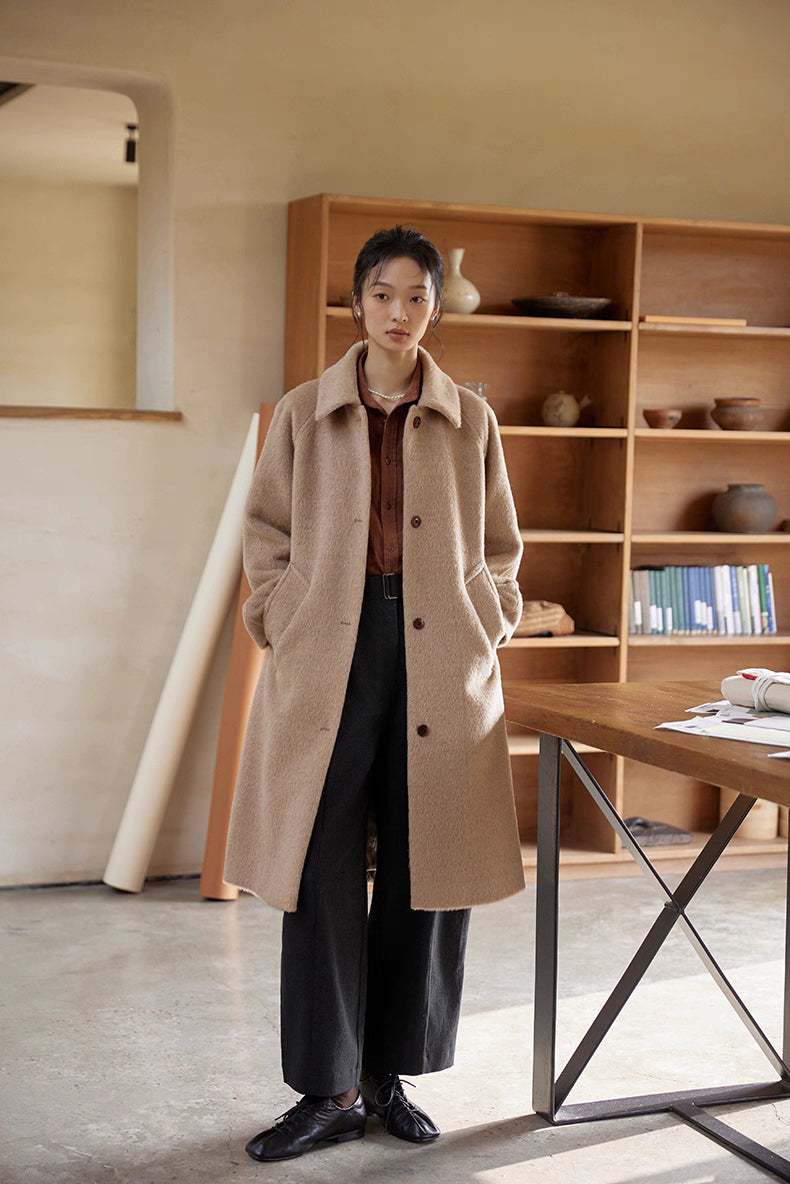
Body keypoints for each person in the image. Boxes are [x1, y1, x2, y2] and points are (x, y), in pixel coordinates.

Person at [224, 225, 525, 1163]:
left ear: (435, 308)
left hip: (442, 655)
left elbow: (503, 544)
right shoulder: (306, 415)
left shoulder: (470, 418)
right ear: (358, 303)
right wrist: (280, 611)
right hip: (328, 652)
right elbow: (266, 527)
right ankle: (329, 1088)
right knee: (316, 864)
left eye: (418, 297)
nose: (401, 313)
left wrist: (493, 612)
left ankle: (390, 1077)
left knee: (424, 863)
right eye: (384, 295)